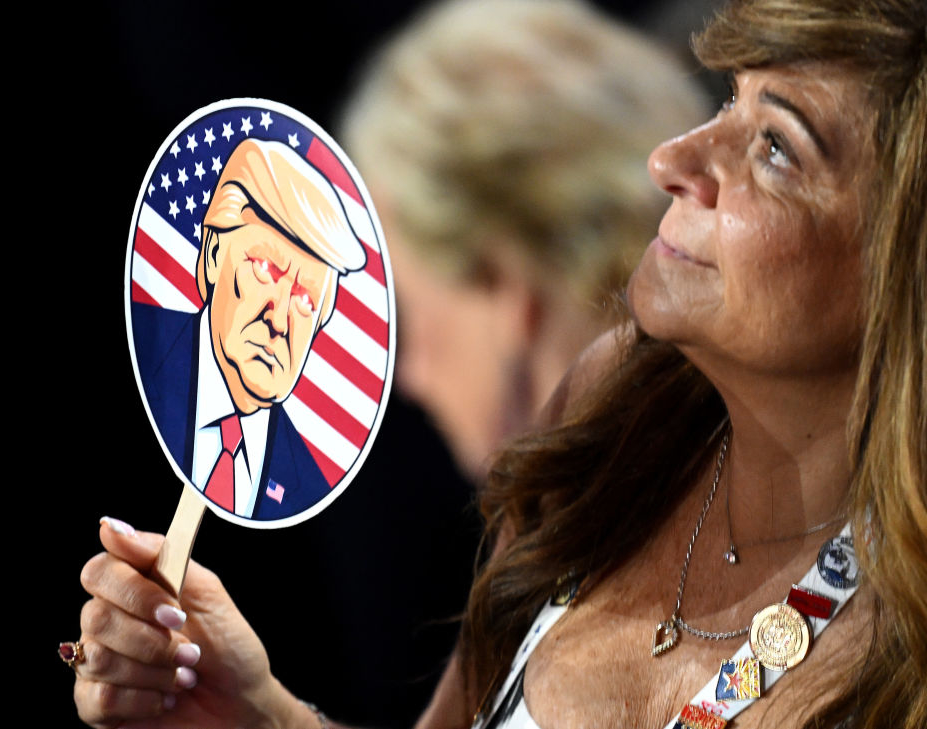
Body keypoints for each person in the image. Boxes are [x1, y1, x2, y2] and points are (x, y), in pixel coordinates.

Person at [69, 0, 927, 728]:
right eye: (728, 102)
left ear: (900, 261)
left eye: (776, 148)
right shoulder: (614, 406)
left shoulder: (905, 652)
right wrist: (259, 712)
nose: (674, 161)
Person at [339, 0, 707, 479]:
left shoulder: (616, 529)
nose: (411, 377)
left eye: (407, 315)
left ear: (506, 286)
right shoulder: (761, 442)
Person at [132, 137, 366, 520]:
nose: (279, 319)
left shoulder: (309, 483)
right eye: (264, 268)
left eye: (306, 301)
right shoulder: (145, 361)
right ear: (211, 256)